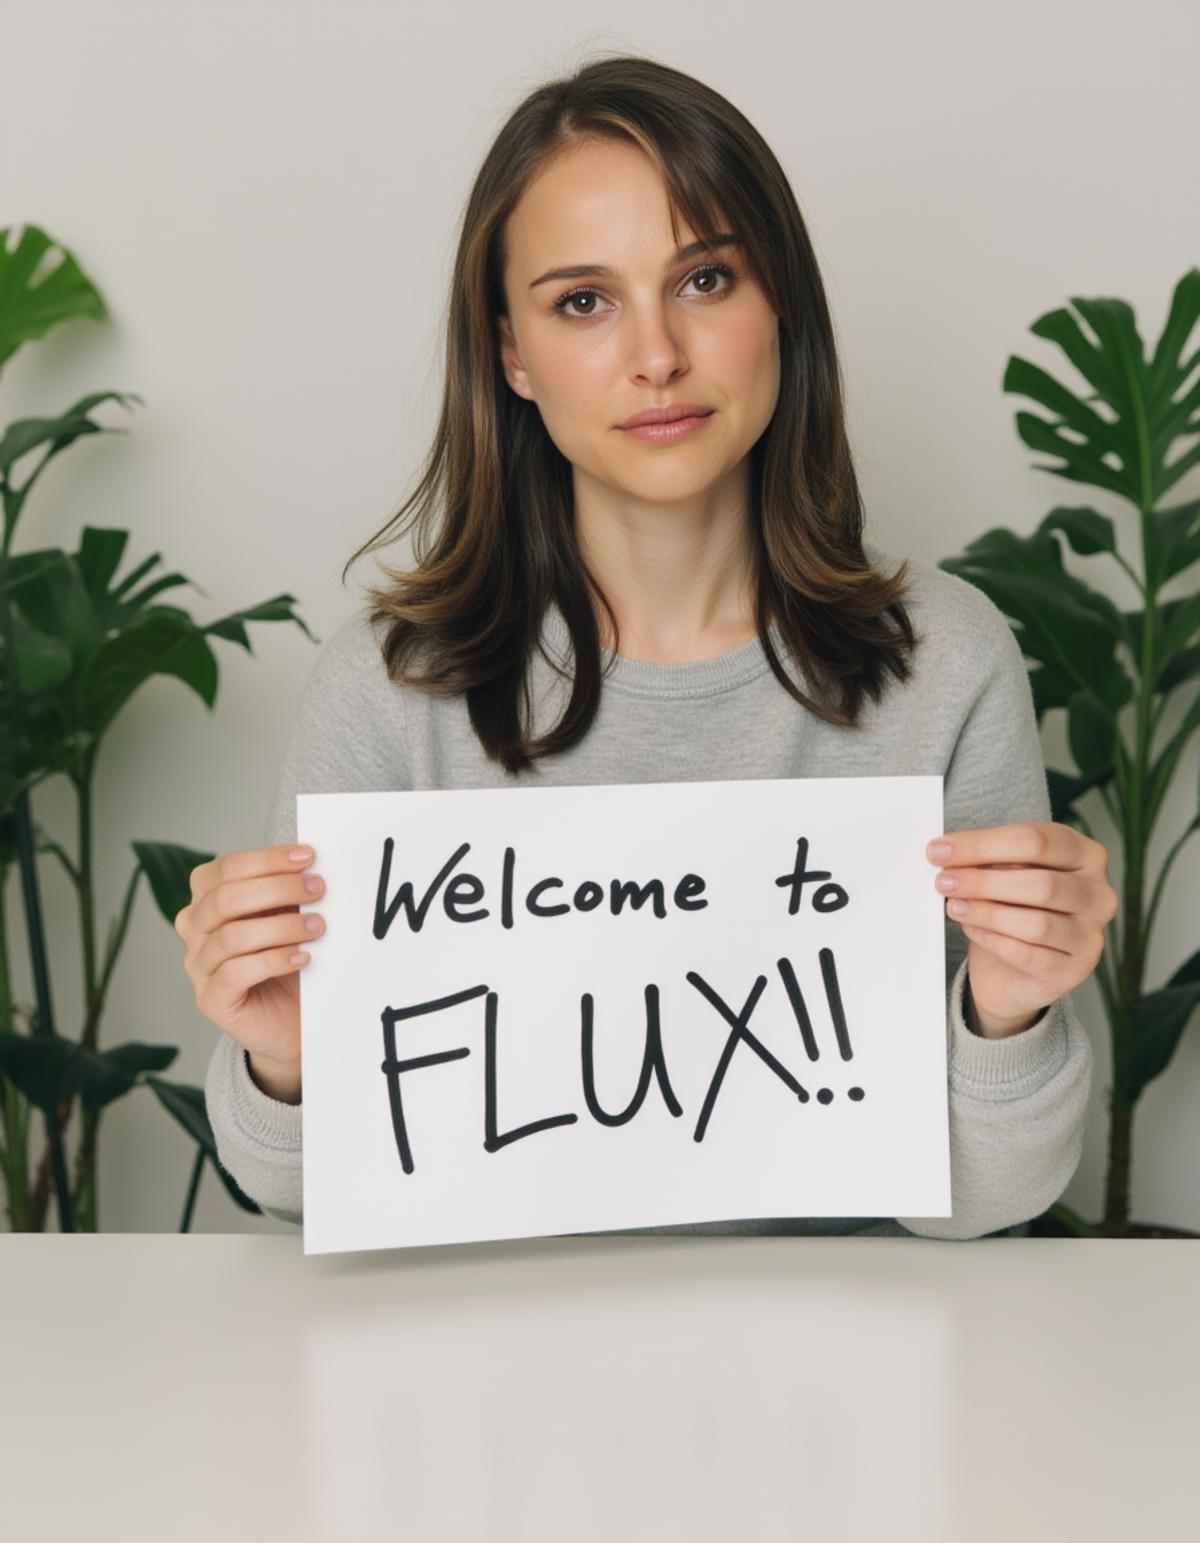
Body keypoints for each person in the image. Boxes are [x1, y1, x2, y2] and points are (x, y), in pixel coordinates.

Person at [178, 53, 1115, 1241]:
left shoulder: (947, 664)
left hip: (846, 1384)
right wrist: (285, 1059)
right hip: (486, 1385)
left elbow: (982, 1204)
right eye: (583, 301)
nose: (656, 353)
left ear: (783, 306)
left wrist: (1009, 1012)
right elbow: (299, 1191)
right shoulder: (391, 690)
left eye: (706, 278)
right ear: (511, 354)